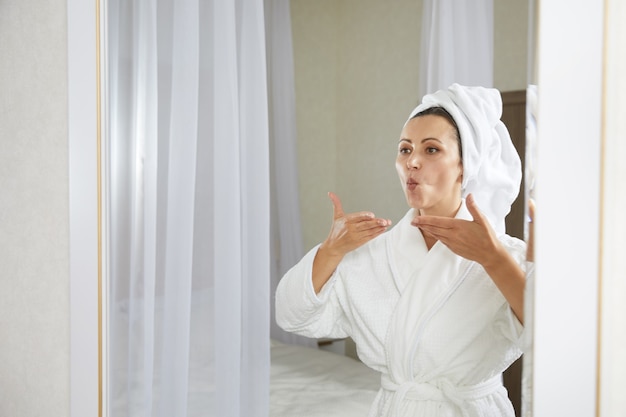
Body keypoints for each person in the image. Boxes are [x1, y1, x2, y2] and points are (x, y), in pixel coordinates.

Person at [275, 84, 531, 417]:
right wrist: (330, 252)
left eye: (431, 150)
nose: (412, 162)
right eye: (405, 149)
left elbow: (553, 336)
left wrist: (492, 259)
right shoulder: (371, 255)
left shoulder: (507, 256)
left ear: (466, 166)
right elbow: (292, 315)